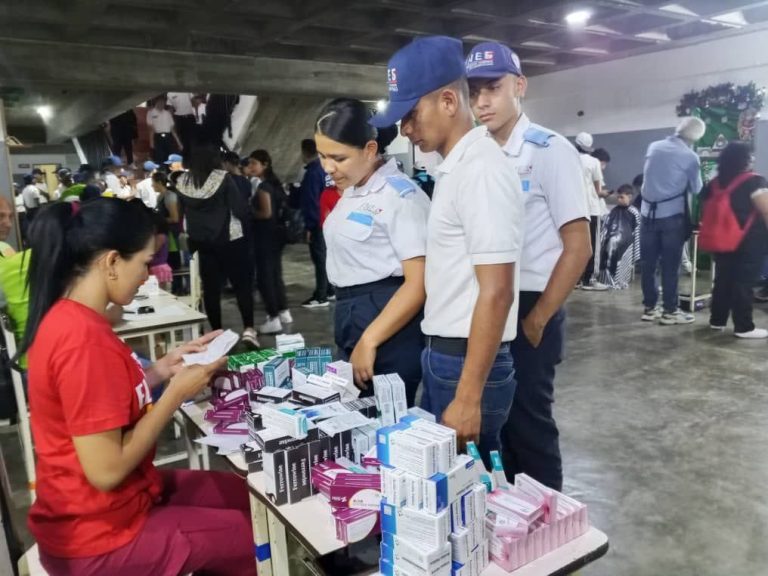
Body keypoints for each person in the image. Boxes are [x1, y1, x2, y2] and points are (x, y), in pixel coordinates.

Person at [19, 199, 254, 576]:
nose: (148, 275)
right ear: (112, 261)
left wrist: (161, 370)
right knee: (258, 537)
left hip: (116, 504)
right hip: (96, 537)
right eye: (144, 263)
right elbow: (107, 471)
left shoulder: (75, 319)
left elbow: (100, 404)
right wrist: (175, 394)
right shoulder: (82, 341)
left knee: (249, 498)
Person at [372, 35, 524, 464]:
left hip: (466, 363)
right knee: (451, 494)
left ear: (448, 102)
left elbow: (497, 291)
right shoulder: (456, 169)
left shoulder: (481, 172)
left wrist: (469, 396)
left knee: (468, 496)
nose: (405, 129)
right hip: (447, 355)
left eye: (412, 115)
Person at [466, 41, 591, 489]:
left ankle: (550, 530)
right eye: (475, 91)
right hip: (486, 303)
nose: (481, 101)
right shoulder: (475, 152)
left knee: (529, 423)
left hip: (530, 302)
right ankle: (513, 517)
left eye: (493, 88)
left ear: (519, 86)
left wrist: (538, 318)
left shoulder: (548, 150)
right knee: (495, 425)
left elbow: (578, 246)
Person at [317, 98, 429, 405]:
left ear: (369, 149)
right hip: (352, 315)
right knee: (357, 418)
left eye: (338, 157)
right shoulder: (353, 190)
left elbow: (418, 283)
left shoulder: (400, 196)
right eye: (322, 156)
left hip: (388, 320)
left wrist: (370, 339)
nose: (328, 167)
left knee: (385, 424)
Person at [175, 145, 258, 346]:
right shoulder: (223, 178)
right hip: (230, 239)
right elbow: (239, 209)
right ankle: (248, 329)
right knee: (241, 285)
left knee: (211, 289)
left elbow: (180, 214)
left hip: (200, 242)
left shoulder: (182, 181)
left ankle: (217, 334)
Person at [640, 116, 705, 325]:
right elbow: (697, 189)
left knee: (649, 264)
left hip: (647, 214)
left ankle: (650, 308)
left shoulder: (654, 147)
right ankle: (670, 310)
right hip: (671, 217)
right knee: (670, 265)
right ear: (696, 137)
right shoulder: (689, 156)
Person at [701, 142, 768, 338]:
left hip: (721, 239)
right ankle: (744, 327)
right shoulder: (755, 182)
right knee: (744, 282)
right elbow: (765, 210)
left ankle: (717, 321)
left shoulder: (714, 183)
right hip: (749, 241)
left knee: (723, 280)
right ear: (745, 159)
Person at [248, 150, 292, 334]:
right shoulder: (276, 184)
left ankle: (272, 316)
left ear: (264, 164)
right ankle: (283, 311)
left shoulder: (264, 187)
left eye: (253, 164)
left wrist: (249, 211)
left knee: (265, 277)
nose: (250, 167)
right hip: (277, 236)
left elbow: (266, 213)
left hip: (265, 236)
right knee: (275, 274)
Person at [296, 138, 334, 308]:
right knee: (328, 258)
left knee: (320, 259)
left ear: (305, 152)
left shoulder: (311, 174)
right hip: (330, 219)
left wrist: (310, 226)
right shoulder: (326, 169)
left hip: (318, 222)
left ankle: (320, 296)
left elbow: (312, 202)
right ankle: (330, 289)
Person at [575, 132, 609, 291]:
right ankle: (589, 280)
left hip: (574, 210)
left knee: (575, 246)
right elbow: (598, 190)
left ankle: (575, 280)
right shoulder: (593, 162)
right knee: (592, 247)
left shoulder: (569, 159)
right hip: (591, 209)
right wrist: (609, 194)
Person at [597, 184, 641, 289]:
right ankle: (605, 280)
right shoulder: (613, 211)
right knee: (607, 242)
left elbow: (637, 231)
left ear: (629, 197)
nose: (619, 199)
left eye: (622, 197)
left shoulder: (634, 212)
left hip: (626, 241)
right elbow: (606, 225)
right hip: (612, 237)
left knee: (614, 243)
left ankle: (617, 280)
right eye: (618, 197)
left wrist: (636, 251)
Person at [146, 96, 182, 164]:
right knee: (159, 158)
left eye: (163, 102)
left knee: (171, 158)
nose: (161, 104)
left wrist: (179, 143)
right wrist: (151, 143)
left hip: (168, 137)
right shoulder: (150, 113)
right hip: (157, 137)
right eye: (160, 102)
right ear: (156, 102)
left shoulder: (167, 113)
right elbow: (151, 129)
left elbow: (172, 129)